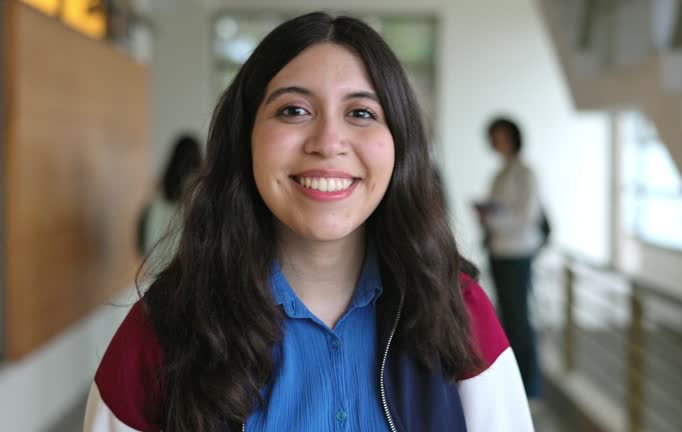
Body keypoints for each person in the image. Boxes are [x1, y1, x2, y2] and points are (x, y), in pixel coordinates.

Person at [84, 13, 533, 432]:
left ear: (400, 146)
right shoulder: (165, 325)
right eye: (294, 110)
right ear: (245, 139)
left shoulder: (458, 311)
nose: (328, 142)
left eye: (361, 113)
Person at [474, 117, 543, 399]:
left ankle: (530, 387)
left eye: (500, 136)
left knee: (519, 319)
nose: (496, 142)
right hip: (499, 252)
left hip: (517, 254)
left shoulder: (525, 174)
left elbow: (526, 217)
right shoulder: (500, 174)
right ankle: (515, 384)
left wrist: (493, 217)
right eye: (493, 136)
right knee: (506, 317)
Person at [136, 134, 202, 269]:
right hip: (183, 261)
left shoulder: (159, 184)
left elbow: (147, 220)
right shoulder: (198, 188)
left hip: (155, 255)